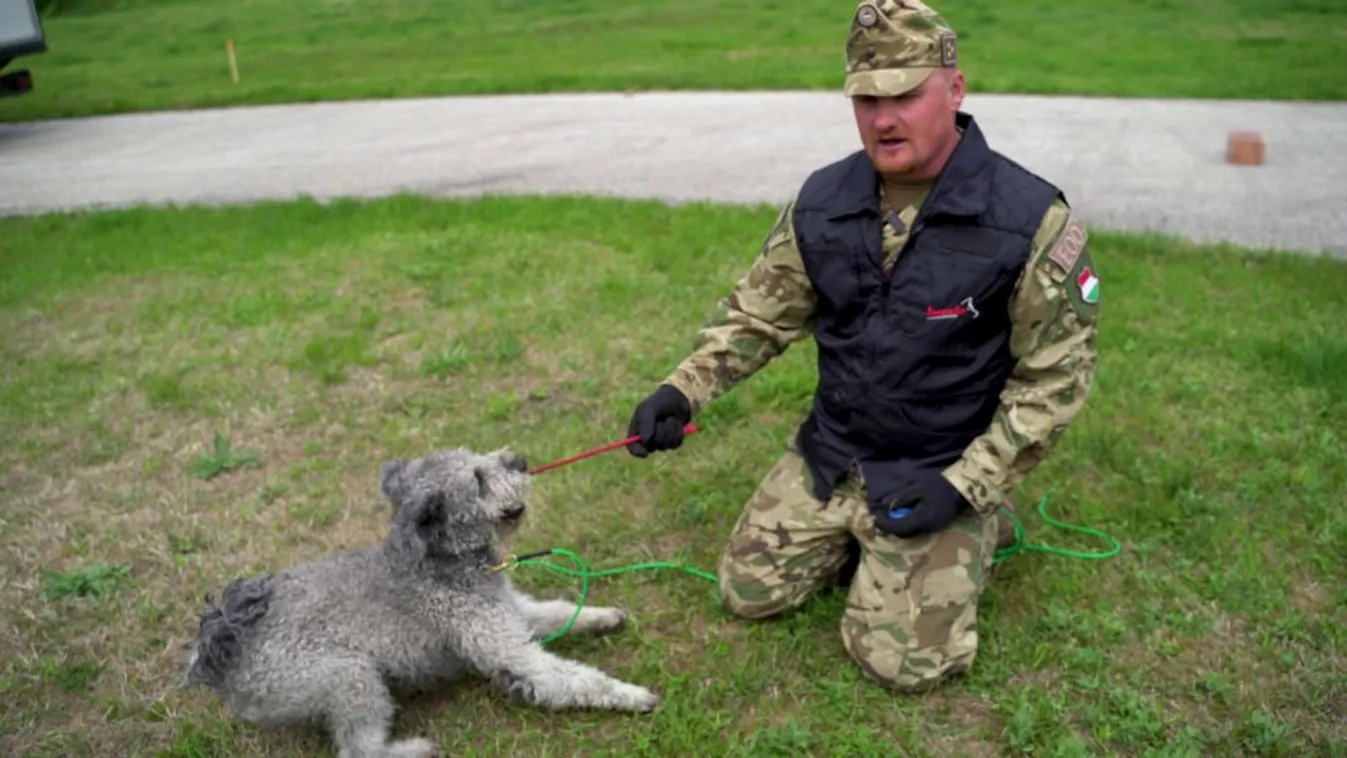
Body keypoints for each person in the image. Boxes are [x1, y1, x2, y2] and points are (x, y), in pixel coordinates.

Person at [624, 0, 1100, 693]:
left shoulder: (1026, 220)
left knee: (903, 666)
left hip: (938, 461)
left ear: (955, 90)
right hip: (834, 449)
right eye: (866, 98)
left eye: (904, 94)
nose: (883, 118)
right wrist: (681, 389)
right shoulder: (824, 200)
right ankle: (871, 534)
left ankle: (972, 526)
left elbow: (1053, 381)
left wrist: (961, 485)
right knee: (746, 594)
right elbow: (758, 315)